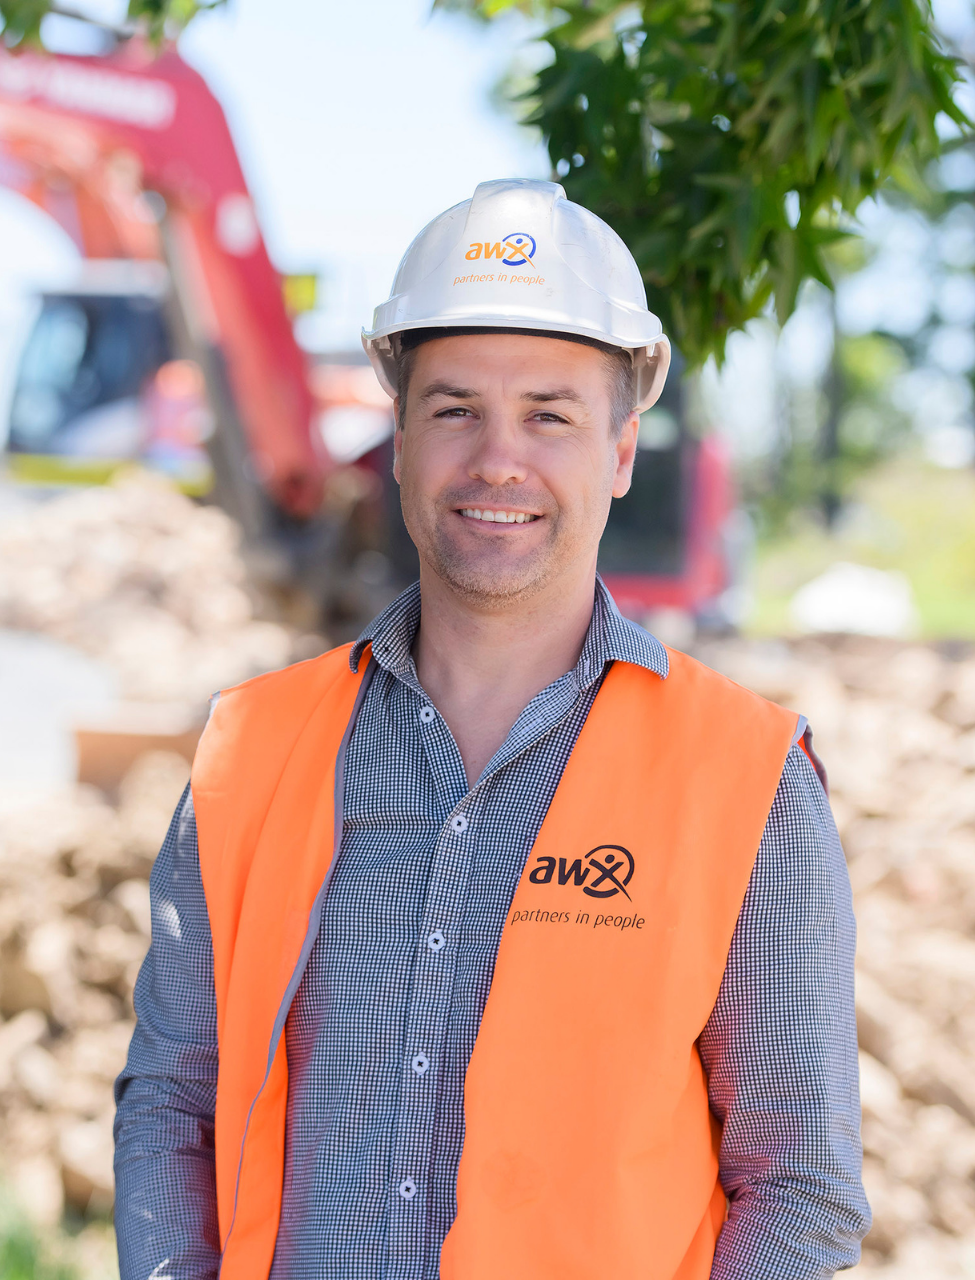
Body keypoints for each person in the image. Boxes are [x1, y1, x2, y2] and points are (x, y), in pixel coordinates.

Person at [114, 179, 870, 1280]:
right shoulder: (251, 754)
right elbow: (174, 1106)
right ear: (401, 441)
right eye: (456, 408)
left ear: (620, 450)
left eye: (551, 414)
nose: (498, 460)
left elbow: (798, 1186)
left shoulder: (744, 776)